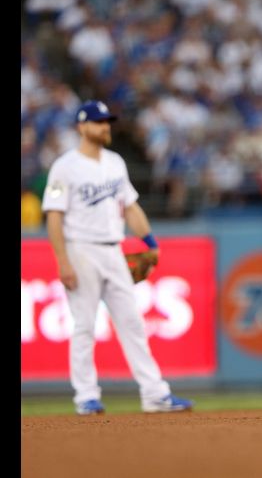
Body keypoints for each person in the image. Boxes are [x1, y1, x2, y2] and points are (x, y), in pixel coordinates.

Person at [41, 100, 194, 415]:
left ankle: (154, 393)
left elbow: (131, 207)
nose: (105, 127)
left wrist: (149, 241)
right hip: (80, 248)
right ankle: (85, 396)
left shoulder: (115, 162)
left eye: (107, 122)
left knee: (133, 324)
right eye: (98, 122)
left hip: (114, 249)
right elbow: (53, 216)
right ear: (82, 127)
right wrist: (62, 261)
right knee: (84, 325)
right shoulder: (64, 166)